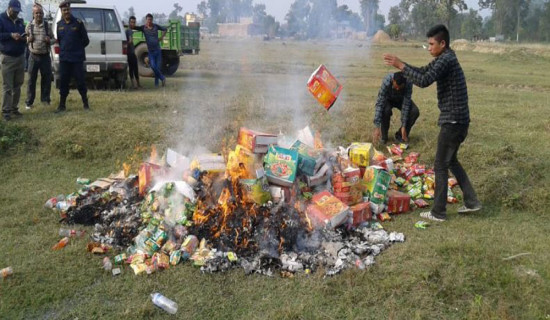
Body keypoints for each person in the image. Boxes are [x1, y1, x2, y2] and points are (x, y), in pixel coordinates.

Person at [383, 24, 481, 222]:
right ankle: (472, 202)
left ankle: (438, 212)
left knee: (440, 165)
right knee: (450, 161)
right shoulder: (444, 58)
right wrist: (403, 66)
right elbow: (422, 71)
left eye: (431, 44)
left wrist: (401, 65)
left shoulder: (446, 60)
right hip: (458, 120)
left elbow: (425, 80)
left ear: (442, 44)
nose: (429, 48)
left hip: (453, 120)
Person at [55, 0, 90, 113]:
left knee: (80, 81)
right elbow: (60, 41)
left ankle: (85, 104)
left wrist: (77, 49)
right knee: (63, 81)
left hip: (77, 58)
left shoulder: (78, 23)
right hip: (64, 58)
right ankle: (62, 105)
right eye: (64, 10)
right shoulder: (59, 25)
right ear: (61, 11)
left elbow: (86, 40)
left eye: (68, 9)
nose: (66, 12)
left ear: (71, 10)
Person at [372, 71, 420, 145]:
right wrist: (377, 126)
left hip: (401, 100)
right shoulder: (387, 81)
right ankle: (384, 137)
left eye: (400, 88)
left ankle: (401, 135)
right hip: (388, 99)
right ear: (393, 81)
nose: (397, 89)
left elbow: (406, 104)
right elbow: (380, 103)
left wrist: (404, 125)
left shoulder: (409, 83)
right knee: (385, 110)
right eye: (396, 86)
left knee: (414, 111)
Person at [0, 0, 26, 121]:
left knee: (18, 85)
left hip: (20, 57)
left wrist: (25, 37)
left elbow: (23, 34)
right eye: (14, 11)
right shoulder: (1, 19)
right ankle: (6, 111)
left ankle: (14, 109)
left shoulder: (20, 21)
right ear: (9, 8)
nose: (16, 13)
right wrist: (10, 35)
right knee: (8, 86)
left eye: (17, 11)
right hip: (8, 57)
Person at [25, 3, 54, 110]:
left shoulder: (47, 25)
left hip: (45, 56)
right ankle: (29, 103)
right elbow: (25, 39)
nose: (39, 15)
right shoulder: (29, 25)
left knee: (46, 79)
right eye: (36, 13)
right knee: (31, 80)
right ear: (33, 14)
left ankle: (45, 100)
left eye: (40, 13)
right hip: (33, 56)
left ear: (43, 14)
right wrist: (28, 40)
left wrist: (49, 41)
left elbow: (54, 39)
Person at [132, 14, 167, 87]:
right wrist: (128, 25)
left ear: (152, 20)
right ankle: (162, 78)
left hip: (158, 50)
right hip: (151, 51)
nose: (149, 21)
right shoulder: (143, 28)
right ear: (146, 20)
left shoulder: (156, 26)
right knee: (153, 66)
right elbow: (135, 27)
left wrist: (161, 38)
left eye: (150, 20)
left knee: (157, 68)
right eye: (148, 20)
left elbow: (165, 29)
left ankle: (156, 85)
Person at [126, 16, 141, 89]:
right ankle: (136, 84)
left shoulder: (128, 30)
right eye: (132, 22)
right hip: (130, 53)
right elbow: (130, 40)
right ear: (129, 22)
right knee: (134, 69)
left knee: (132, 69)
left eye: (134, 22)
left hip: (130, 52)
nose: (133, 24)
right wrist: (127, 44)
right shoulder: (129, 31)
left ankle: (134, 84)